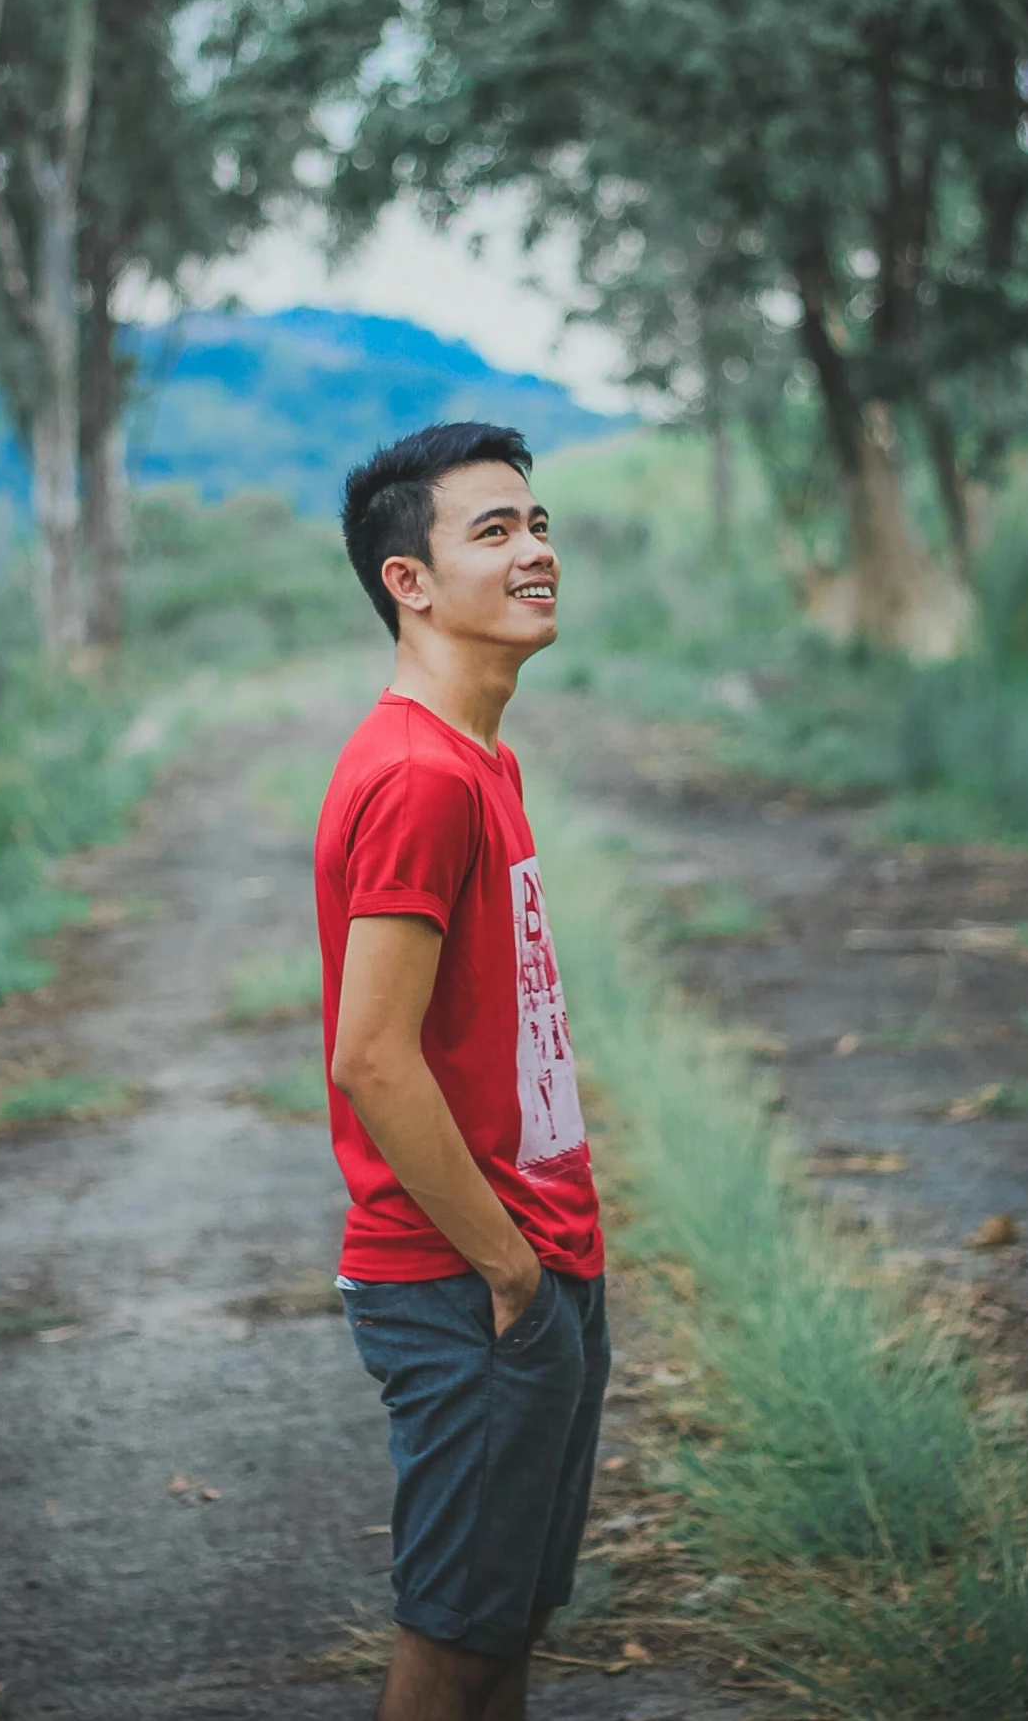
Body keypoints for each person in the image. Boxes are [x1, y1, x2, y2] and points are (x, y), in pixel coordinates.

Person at [316, 421, 608, 1721]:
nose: (534, 548)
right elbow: (371, 1056)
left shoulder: (482, 755)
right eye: (492, 530)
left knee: (497, 1641)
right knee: (447, 1653)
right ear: (408, 580)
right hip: (467, 1280)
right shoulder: (420, 774)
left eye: (537, 523)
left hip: (531, 1261)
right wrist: (507, 1273)